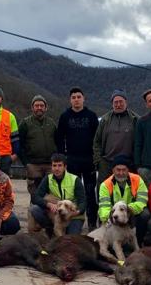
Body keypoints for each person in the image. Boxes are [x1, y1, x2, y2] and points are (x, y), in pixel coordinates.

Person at [55, 87, 99, 230]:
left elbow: (97, 139)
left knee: (90, 192)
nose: (76, 99)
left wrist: (96, 157)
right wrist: (63, 157)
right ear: (70, 100)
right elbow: (59, 138)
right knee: (73, 194)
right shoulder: (65, 116)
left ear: (83, 98)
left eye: (78, 97)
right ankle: (74, 221)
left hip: (89, 160)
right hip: (72, 160)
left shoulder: (91, 116)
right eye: (73, 97)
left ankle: (92, 222)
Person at [29, 153, 86, 236]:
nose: (57, 169)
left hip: (73, 215)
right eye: (54, 166)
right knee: (34, 209)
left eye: (60, 165)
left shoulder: (75, 179)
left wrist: (76, 212)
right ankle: (50, 228)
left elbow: (83, 202)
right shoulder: (48, 179)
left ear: (65, 167)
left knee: (71, 238)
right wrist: (48, 204)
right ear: (51, 167)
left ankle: (67, 230)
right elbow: (35, 197)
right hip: (57, 214)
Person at [93, 89, 139, 189]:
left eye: (121, 102)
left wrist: (136, 161)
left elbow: (140, 142)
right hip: (107, 163)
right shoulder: (104, 120)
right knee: (104, 189)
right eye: (115, 102)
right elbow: (97, 141)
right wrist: (98, 161)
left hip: (128, 163)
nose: (118, 104)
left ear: (126, 102)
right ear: (112, 104)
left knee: (128, 189)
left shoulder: (135, 119)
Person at [98, 155, 149, 244]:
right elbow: (104, 207)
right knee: (103, 220)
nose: (121, 173)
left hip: (131, 212)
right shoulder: (105, 185)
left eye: (124, 170)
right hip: (114, 214)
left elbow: (142, 201)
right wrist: (110, 217)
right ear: (113, 170)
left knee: (145, 215)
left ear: (128, 170)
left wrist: (127, 210)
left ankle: (139, 242)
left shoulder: (137, 179)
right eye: (118, 170)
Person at [19, 95, 57, 199]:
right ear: (32, 108)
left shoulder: (52, 123)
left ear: (46, 108)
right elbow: (19, 145)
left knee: (51, 194)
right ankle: (34, 214)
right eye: (36, 105)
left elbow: (57, 142)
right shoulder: (25, 123)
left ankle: (49, 215)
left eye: (41, 105)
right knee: (35, 195)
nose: (39, 108)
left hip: (50, 164)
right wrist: (26, 163)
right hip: (33, 165)